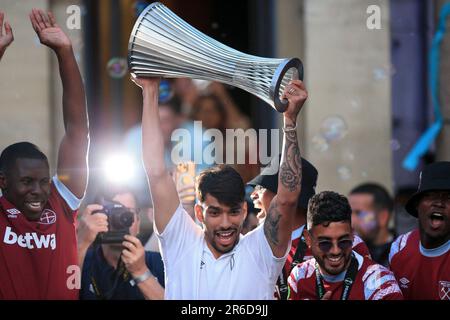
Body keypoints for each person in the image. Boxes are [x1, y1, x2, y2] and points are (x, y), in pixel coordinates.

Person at [133, 74, 307, 299]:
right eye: (214, 212)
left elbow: (287, 199)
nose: (225, 224)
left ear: (244, 211)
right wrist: (149, 90)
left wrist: (290, 120)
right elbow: (156, 172)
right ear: (199, 212)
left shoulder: (261, 250)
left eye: (233, 211)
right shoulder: (181, 241)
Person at [0, 10, 89, 299]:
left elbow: (78, 131)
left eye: (43, 181)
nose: (37, 191)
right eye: (26, 181)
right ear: (3, 181)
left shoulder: (61, 203)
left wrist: (65, 52)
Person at [248, 156, 370, 299]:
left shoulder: (350, 244)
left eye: (261, 187)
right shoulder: (251, 245)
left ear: (287, 197)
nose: (253, 195)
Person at [288, 191, 403, 300]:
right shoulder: (299, 276)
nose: (335, 251)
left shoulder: (381, 283)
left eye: (343, 242)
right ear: (308, 239)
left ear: (352, 235)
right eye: (325, 244)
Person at [77, 188, 164, 300]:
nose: (118, 219)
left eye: (126, 215)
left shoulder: (159, 263)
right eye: (111, 213)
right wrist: (81, 243)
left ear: (138, 223)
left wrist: (140, 271)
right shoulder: (81, 260)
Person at [389, 161, 450, 300]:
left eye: (448, 197)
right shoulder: (400, 248)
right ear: (417, 205)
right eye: (430, 195)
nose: (439, 203)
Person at [349, 183, 395, 267]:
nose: (351, 221)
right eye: (349, 213)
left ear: (383, 217)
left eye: (358, 213)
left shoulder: (403, 253)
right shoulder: (349, 253)